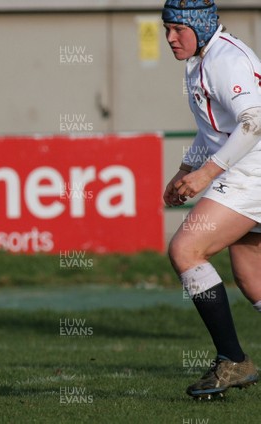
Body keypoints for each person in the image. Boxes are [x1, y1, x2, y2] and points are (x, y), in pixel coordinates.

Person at [162, 0, 261, 400]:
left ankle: (232, 360)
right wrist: (188, 169)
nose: (170, 37)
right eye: (166, 28)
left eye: (178, 29)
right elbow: (214, 129)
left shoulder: (224, 60)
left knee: (186, 249)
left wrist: (207, 173)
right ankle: (232, 360)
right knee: (251, 276)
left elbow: (253, 122)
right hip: (244, 169)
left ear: (201, 26)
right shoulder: (204, 57)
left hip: (252, 173)